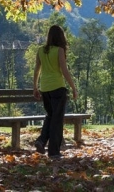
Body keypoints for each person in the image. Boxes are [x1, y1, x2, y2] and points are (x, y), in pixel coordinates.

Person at [32, 24, 77, 158]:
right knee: (57, 121)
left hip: (45, 88)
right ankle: (54, 152)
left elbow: (36, 69)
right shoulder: (59, 50)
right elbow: (64, 70)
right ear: (61, 37)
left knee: (51, 116)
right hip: (58, 88)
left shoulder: (40, 50)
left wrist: (35, 87)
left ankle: (41, 140)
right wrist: (73, 87)